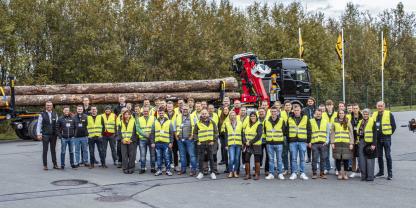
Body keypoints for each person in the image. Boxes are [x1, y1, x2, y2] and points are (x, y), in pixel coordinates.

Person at [372, 101, 396, 180]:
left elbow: (394, 126)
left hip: (386, 138)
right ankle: (381, 172)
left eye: (381, 106)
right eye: (378, 106)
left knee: (388, 156)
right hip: (377, 139)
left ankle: (390, 173)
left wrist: (389, 134)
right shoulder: (374, 114)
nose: (380, 107)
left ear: (384, 106)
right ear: (376, 106)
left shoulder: (389, 114)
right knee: (379, 156)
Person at [195, 109, 218, 180]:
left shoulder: (212, 122)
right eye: (203, 114)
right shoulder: (198, 123)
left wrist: (213, 140)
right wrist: (197, 141)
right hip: (201, 143)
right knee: (201, 158)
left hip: (210, 143)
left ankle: (212, 173)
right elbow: (195, 133)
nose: (204, 115)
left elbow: (216, 132)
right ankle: (201, 172)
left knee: (211, 158)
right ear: (201, 115)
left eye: (205, 113)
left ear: (208, 114)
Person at [287, 105, 310, 180]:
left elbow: (309, 130)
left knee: (302, 158)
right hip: (292, 141)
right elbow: (287, 130)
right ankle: (294, 173)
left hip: (302, 141)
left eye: (298, 110)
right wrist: (289, 140)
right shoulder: (290, 118)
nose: (296, 111)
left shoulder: (305, 118)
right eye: (295, 110)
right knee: (293, 158)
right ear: (293, 110)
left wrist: (308, 141)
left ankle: (302, 173)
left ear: (300, 110)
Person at [264, 106, 287, 180]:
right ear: (270, 112)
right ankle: (271, 173)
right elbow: (265, 131)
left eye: (275, 111)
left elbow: (284, 131)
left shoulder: (281, 120)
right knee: (271, 159)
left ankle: (280, 173)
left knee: (279, 159)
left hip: (279, 143)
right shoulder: (266, 121)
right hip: (269, 143)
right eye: (272, 111)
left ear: (277, 112)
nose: (273, 113)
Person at [330, 110, 354, 180]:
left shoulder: (348, 121)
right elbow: (332, 133)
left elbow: (351, 133)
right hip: (337, 143)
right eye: (340, 113)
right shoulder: (334, 122)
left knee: (346, 159)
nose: (341, 114)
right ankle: (340, 173)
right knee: (338, 159)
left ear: (344, 114)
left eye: (342, 113)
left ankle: (345, 173)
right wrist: (332, 142)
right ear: (338, 114)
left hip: (346, 143)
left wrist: (351, 143)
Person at [151, 107, 174, 176]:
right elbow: (152, 133)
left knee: (167, 157)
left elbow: (171, 133)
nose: (161, 114)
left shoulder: (169, 122)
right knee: (158, 157)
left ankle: (168, 170)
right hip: (157, 143)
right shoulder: (155, 122)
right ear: (158, 113)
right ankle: (159, 170)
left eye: (162, 113)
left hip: (166, 143)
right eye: (160, 113)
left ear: (164, 113)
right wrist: (152, 142)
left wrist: (171, 142)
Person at [36, 101, 59, 170]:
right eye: (47, 105)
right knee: (45, 150)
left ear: (52, 106)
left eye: (50, 105)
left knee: (53, 150)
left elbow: (57, 125)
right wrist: (38, 134)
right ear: (45, 106)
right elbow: (39, 125)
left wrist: (58, 134)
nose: (49, 106)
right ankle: (45, 165)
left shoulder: (55, 114)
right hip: (45, 135)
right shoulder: (42, 114)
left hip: (53, 135)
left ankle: (55, 164)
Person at [175, 104, 197, 176]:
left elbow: (197, 127)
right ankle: (183, 169)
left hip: (189, 139)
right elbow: (175, 127)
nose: (184, 110)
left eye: (186, 109)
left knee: (192, 155)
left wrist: (192, 136)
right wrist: (176, 136)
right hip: (180, 139)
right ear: (181, 109)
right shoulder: (178, 116)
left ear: (189, 110)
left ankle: (193, 170)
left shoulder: (193, 116)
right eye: (183, 109)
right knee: (182, 155)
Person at [308, 109, 330, 179]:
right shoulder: (310, 121)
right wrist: (309, 142)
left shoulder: (325, 121)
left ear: (321, 114)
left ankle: (322, 173)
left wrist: (327, 141)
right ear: (314, 114)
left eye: (319, 114)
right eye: (317, 114)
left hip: (323, 143)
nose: (318, 115)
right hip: (314, 143)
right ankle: (314, 173)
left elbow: (327, 132)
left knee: (323, 158)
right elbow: (309, 132)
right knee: (314, 159)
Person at [357, 109, 377, 181]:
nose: (365, 115)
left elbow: (375, 134)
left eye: (367, 114)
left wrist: (374, 144)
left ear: (369, 114)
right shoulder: (360, 122)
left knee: (370, 160)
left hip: (370, 143)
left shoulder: (372, 121)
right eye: (364, 114)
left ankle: (370, 176)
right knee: (362, 159)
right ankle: (363, 176)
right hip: (361, 142)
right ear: (362, 115)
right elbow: (358, 132)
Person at [242, 112, 263, 180]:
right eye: (251, 116)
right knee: (247, 159)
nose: (252, 117)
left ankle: (257, 174)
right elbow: (243, 133)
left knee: (257, 160)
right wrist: (245, 141)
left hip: (256, 144)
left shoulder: (259, 124)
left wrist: (250, 142)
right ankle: (248, 174)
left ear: (256, 117)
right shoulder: (247, 124)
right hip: (248, 145)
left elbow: (258, 135)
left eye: (254, 116)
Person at [136, 106, 156, 174]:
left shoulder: (153, 118)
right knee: (142, 155)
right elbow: (138, 129)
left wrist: (150, 135)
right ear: (142, 112)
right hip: (142, 139)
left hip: (151, 139)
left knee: (152, 154)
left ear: (149, 111)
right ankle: (142, 168)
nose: (145, 112)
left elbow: (155, 127)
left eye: (147, 111)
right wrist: (145, 134)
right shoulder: (139, 119)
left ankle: (153, 168)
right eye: (144, 111)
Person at [224, 111, 243, 178]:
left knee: (237, 159)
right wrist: (226, 144)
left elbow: (242, 134)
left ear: (236, 116)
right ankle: (230, 172)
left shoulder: (240, 123)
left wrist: (243, 143)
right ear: (229, 117)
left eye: (234, 115)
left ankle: (235, 172)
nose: (232, 116)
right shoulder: (226, 124)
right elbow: (225, 135)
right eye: (231, 115)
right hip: (230, 144)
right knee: (231, 159)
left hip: (238, 143)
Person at [322, 99, 337, 174]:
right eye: (328, 105)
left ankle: (337, 169)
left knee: (336, 152)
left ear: (333, 106)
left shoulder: (336, 114)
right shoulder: (323, 114)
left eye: (330, 105)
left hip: (335, 135)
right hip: (326, 135)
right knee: (326, 152)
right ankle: (326, 168)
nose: (329, 107)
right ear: (326, 106)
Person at [349, 103, 363, 178]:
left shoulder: (362, 116)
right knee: (353, 155)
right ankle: (353, 171)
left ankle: (360, 170)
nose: (355, 110)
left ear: (359, 108)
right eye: (354, 108)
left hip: (360, 138)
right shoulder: (349, 116)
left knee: (360, 155)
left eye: (356, 108)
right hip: (352, 138)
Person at [166, 101, 179, 172]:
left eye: (170, 107)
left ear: (173, 107)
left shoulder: (177, 114)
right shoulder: (164, 114)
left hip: (174, 135)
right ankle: (168, 165)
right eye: (168, 107)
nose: (169, 108)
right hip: (166, 135)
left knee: (175, 151)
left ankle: (176, 165)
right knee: (167, 151)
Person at [303, 97, 316, 164]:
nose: (310, 102)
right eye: (309, 101)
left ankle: (314, 158)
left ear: (313, 102)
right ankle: (308, 158)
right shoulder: (304, 110)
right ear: (307, 102)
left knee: (314, 143)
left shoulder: (316, 109)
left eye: (311, 101)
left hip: (315, 128)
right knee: (308, 143)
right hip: (307, 128)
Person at [281, 100, 292, 175]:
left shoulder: (294, 113)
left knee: (292, 154)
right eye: (286, 105)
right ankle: (285, 169)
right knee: (284, 154)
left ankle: (293, 169)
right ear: (284, 106)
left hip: (292, 137)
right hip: (284, 136)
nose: (288, 106)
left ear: (291, 106)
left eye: (289, 105)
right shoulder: (281, 114)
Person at [258, 107, 269, 176]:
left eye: (263, 112)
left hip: (267, 140)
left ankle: (267, 170)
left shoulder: (268, 119)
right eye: (260, 112)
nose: (261, 113)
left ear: (265, 112)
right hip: (258, 140)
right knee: (259, 155)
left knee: (268, 156)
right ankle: (257, 170)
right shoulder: (256, 120)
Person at [218, 106, 230, 170]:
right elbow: (219, 125)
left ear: (228, 110)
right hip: (222, 135)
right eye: (224, 110)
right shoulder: (221, 117)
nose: (225, 111)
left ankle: (228, 167)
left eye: (226, 109)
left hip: (228, 135)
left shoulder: (230, 116)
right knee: (223, 148)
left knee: (226, 150)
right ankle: (225, 162)